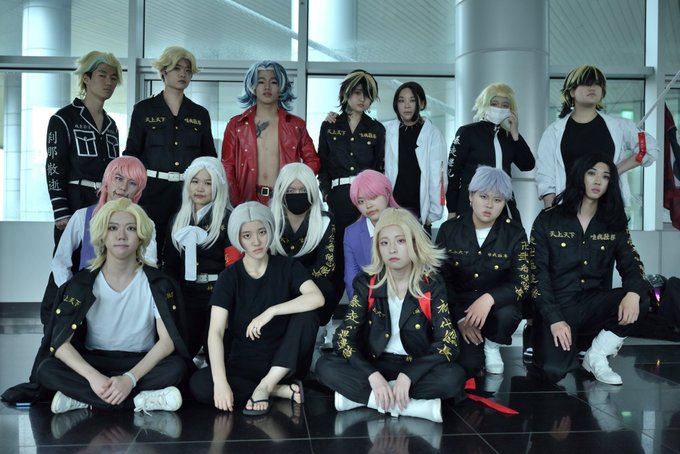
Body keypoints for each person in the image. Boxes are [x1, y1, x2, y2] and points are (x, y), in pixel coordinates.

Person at [35, 198, 189, 413]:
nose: (121, 236)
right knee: (47, 369)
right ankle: (140, 400)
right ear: (102, 235)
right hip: (95, 360)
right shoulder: (81, 283)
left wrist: (130, 379)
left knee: (176, 368)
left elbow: (167, 342)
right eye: (113, 228)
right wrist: (94, 378)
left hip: (140, 362)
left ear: (141, 236)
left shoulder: (157, 283)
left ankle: (85, 399)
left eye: (131, 228)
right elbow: (61, 345)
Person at [316, 208, 466, 423]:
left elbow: (448, 343)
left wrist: (409, 375)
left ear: (414, 243)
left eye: (400, 241)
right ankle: (407, 405)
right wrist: (372, 376)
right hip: (375, 363)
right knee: (325, 367)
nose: (392, 249)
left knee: (454, 377)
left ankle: (367, 399)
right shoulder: (366, 282)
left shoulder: (431, 283)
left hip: (416, 365)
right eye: (384, 243)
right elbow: (343, 338)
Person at [189, 202, 324, 416]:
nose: (256, 241)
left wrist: (271, 311)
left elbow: (317, 298)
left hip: (284, 362)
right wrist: (221, 382)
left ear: (270, 231)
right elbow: (215, 331)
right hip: (243, 364)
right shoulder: (229, 277)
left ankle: (269, 383)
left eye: (262, 232)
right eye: (247, 235)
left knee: (308, 313)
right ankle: (275, 390)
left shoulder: (288, 267)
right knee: (200, 384)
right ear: (238, 239)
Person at [530, 155, 650, 385]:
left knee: (642, 296)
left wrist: (633, 294)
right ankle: (541, 337)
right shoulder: (548, 220)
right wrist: (554, 319)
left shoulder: (613, 222)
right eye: (591, 173)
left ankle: (596, 355)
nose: (598, 181)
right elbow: (537, 275)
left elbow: (632, 264)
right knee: (552, 371)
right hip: (557, 306)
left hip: (593, 304)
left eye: (605, 177)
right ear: (580, 177)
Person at [43, 50, 123, 324]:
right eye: (102, 75)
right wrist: (61, 211)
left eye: (114, 78)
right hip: (74, 200)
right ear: (86, 78)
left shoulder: (112, 125)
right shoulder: (63, 118)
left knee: (99, 264)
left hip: (104, 203)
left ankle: (89, 327)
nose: (109, 82)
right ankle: (52, 324)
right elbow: (54, 167)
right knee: (65, 264)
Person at [435, 166, 528, 378]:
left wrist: (489, 298)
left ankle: (492, 345)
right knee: (469, 366)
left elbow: (522, 282)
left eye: (497, 200)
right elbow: (439, 280)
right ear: (471, 196)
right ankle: (476, 347)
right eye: (483, 196)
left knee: (509, 312)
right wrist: (460, 319)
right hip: (460, 309)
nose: (489, 205)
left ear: (504, 203)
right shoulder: (449, 230)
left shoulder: (515, 233)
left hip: (496, 310)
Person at [124, 46, 217, 245]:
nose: (183, 74)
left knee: (184, 247)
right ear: (163, 71)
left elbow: (209, 159)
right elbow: (131, 155)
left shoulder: (200, 114)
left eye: (188, 70)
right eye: (177, 68)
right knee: (149, 244)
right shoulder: (143, 109)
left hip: (189, 192)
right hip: (151, 191)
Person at [536, 64, 658, 209]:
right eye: (586, 83)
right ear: (572, 91)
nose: (592, 88)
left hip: (609, 208)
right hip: (568, 209)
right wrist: (551, 211)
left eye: (597, 84)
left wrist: (614, 170)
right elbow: (545, 176)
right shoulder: (553, 132)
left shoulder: (620, 126)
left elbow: (650, 148)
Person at [162, 156, 234, 359]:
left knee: (216, 352)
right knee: (182, 352)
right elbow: (170, 264)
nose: (200, 188)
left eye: (208, 183)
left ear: (218, 186)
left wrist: (230, 303)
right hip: (186, 295)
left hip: (218, 294)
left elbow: (233, 267)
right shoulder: (177, 219)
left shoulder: (228, 219)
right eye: (195, 181)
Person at [221, 60, 320, 206]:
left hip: (285, 199)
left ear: (281, 87)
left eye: (273, 82)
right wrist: (236, 200)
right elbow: (227, 166)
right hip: (246, 199)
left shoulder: (296, 125)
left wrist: (296, 188)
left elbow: (312, 161)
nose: (267, 87)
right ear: (252, 86)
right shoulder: (236, 125)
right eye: (261, 82)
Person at [52, 156, 157, 291]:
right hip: (88, 296)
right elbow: (60, 260)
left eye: (132, 183)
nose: (123, 187)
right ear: (107, 180)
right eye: (118, 178)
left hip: (129, 294)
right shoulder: (82, 217)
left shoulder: (146, 223)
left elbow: (150, 264)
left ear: (139, 189)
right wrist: (70, 291)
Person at [270, 163, 343, 351]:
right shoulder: (269, 220)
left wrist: (295, 281)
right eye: (291, 190)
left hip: (312, 287)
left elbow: (326, 266)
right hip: (276, 285)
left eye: (303, 189)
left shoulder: (325, 220)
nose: (297, 194)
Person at [318, 69, 385, 258]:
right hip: (338, 196)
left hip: (367, 198)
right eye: (357, 92)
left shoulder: (377, 129)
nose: (362, 99)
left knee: (367, 250)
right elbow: (322, 164)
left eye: (367, 95)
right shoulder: (329, 125)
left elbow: (379, 168)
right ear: (345, 93)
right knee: (338, 250)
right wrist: (327, 194)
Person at [446, 83, 535, 224]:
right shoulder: (468, 132)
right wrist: (452, 209)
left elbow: (528, 165)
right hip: (470, 205)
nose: (499, 108)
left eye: (505, 105)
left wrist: (515, 134)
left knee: (511, 236)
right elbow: (453, 173)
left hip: (503, 205)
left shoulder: (508, 136)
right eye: (494, 104)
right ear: (484, 104)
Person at [385, 81, 448, 233]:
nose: (406, 105)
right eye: (401, 100)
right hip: (391, 211)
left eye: (412, 100)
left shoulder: (433, 134)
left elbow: (439, 176)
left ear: (422, 103)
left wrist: (432, 214)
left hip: (420, 213)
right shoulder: (386, 130)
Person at [344, 170, 400, 299]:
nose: (368, 205)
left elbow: (421, 270)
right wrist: (360, 307)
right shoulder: (351, 233)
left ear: (387, 193)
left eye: (373, 197)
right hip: (370, 302)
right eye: (361, 201)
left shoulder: (408, 222)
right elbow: (351, 279)